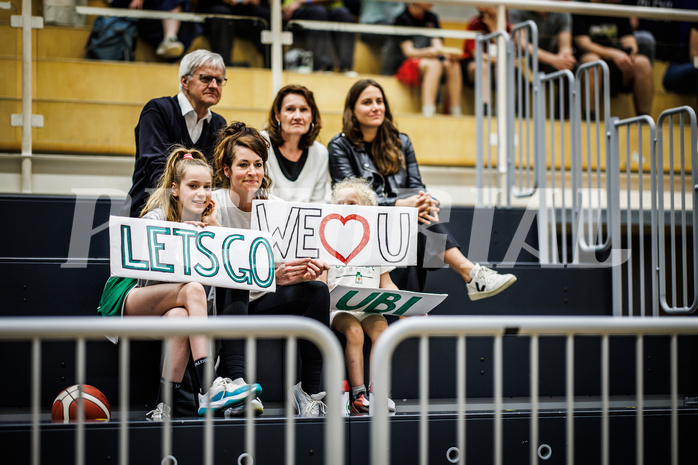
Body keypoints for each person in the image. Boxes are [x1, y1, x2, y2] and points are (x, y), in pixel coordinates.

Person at [97, 146, 261, 420]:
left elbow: (222, 280)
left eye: (207, 186)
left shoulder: (207, 225)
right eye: (193, 185)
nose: (202, 193)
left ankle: (164, 407)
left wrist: (215, 229)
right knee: (192, 291)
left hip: (171, 307)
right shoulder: (157, 217)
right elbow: (145, 277)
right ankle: (209, 386)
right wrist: (179, 234)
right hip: (130, 294)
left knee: (181, 316)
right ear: (175, 189)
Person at [328, 79, 517, 298]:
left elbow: (417, 187)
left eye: (379, 101)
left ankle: (462, 280)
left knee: (418, 220)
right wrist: (400, 204)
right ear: (352, 110)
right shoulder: (339, 145)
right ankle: (470, 273)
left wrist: (424, 202)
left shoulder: (401, 142)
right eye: (367, 102)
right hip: (361, 225)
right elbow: (350, 198)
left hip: (402, 224)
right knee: (415, 221)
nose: (375, 107)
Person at [212, 121, 332, 417]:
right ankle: (236, 385)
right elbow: (215, 273)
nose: (252, 172)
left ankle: (308, 393)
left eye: (258, 164)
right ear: (227, 170)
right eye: (243, 165)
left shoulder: (276, 207)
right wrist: (270, 276)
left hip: (260, 298)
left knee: (316, 291)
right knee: (236, 277)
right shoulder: (211, 205)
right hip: (221, 301)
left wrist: (304, 270)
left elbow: (286, 269)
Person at [122, 49, 227, 218]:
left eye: (219, 80)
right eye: (206, 78)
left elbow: (217, 177)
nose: (214, 85)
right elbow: (157, 168)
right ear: (185, 80)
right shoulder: (157, 111)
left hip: (194, 220)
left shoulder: (219, 124)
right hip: (146, 214)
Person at [323, 177, 398, 414]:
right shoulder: (326, 241)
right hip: (339, 309)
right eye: (340, 202)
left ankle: (380, 393)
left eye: (352, 203)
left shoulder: (376, 243)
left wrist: (407, 306)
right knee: (354, 332)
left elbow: (387, 283)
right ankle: (359, 394)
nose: (345, 207)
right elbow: (321, 283)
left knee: (382, 332)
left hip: (369, 308)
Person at [572, 0, 654, 116]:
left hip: (617, 65)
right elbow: (583, 44)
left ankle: (644, 122)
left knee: (643, 63)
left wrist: (629, 55)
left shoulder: (618, 7)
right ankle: (589, 120)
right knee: (592, 62)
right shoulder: (581, 6)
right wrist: (613, 54)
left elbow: (629, 40)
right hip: (587, 65)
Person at [382, 3, 462, 117]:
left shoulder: (432, 17)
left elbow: (438, 46)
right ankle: (428, 111)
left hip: (429, 59)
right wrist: (427, 52)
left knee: (452, 64)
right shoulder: (402, 18)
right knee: (434, 65)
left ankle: (456, 111)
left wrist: (448, 54)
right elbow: (409, 52)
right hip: (406, 63)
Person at [262, 84, 328, 203]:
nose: (297, 116)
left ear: (312, 116)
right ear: (277, 116)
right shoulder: (261, 143)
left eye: (304, 110)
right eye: (290, 109)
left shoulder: (320, 152)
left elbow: (318, 203)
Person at [461, 6, 511, 113]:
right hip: (475, 64)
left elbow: (507, 52)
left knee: (502, 68)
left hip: (496, 63)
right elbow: (476, 54)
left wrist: (493, 29)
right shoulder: (475, 23)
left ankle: (504, 108)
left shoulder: (506, 26)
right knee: (483, 66)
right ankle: (485, 107)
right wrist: (499, 60)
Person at [283, 0, 356, 73]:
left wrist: (304, 1)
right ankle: (323, 66)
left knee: (343, 14)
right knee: (318, 12)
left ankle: (346, 68)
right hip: (301, 11)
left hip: (330, 8)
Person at [110, 0, 199, 59]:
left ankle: (170, 40)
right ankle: (169, 42)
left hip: (158, 10)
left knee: (182, 11)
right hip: (134, 9)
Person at [196, 0, 270, 67]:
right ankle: (223, 67)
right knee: (222, 15)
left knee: (268, 15)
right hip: (216, 8)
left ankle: (273, 66)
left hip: (246, 10)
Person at [507, 8, 577, 73]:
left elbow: (565, 46)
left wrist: (566, 58)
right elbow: (522, 44)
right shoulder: (517, 6)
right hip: (523, 57)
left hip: (550, 57)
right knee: (513, 65)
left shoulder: (561, 9)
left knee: (573, 66)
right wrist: (553, 60)